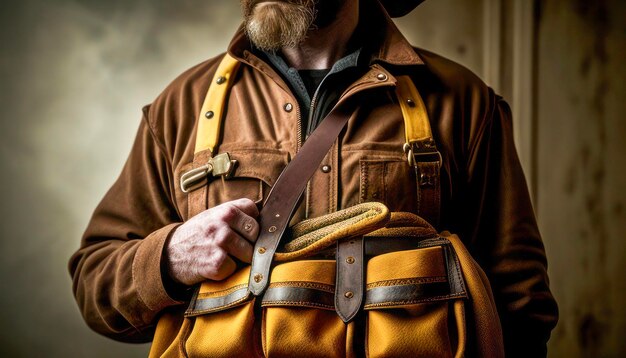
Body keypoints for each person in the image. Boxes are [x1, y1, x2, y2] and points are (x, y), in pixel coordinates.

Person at [69, 0, 559, 356]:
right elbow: (95, 283)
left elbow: (520, 305)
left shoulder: (462, 102)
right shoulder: (182, 106)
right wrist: (170, 257)